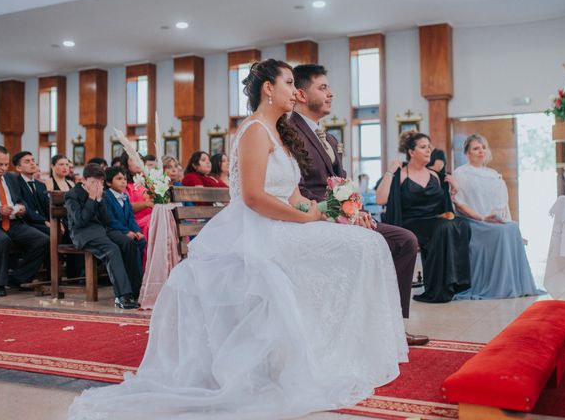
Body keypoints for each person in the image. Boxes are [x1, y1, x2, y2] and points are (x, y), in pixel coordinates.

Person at [69, 59, 407, 420]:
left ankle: (339, 347)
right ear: (267, 88)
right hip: (257, 229)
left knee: (366, 242)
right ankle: (322, 351)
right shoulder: (254, 131)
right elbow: (252, 197)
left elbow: (293, 195)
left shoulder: (281, 132)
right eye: (290, 83)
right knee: (362, 247)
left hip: (283, 222)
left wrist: (328, 208)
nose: (295, 92)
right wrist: (304, 218)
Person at [291, 64, 427, 346]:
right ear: (302, 94)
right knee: (372, 244)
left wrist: (357, 211)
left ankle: (393, 324)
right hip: (314, 218)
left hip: (342, 215)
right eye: (323, 87)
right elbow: (298, 187)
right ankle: (358, 326)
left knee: (405, 241)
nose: (331, 93)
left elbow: (340, 183)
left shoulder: (329, 137)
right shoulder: (289, 132)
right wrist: (340, 214)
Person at [377, 131, 471, 303]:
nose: (428, 150)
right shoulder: (401, 174)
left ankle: (453, 283)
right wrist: (390, 172)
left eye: (429, 147)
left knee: (461, 224)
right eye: (423, 147)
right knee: (442, 227)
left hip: (435, 220)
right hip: (411, 222)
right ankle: (434, 290)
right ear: (411, 152)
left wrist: (453, 190)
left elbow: (444, 204)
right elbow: (381, 199)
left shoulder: (435, 175)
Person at [451, 134, 542, 299]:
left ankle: (516, 285)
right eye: (476, 148)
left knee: (512, 228)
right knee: (500, 232)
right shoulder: (461, 173)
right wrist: (482, 218)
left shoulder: (493, 174)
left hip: (493, 220)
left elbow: (503, 204)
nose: (481, 151)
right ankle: (500, 286)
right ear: (467, 153)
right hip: (473, 222)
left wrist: (505, 220)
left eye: (483, 147)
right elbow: (459, 204)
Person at [65, 163, 141, 309]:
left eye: (100, 182)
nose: (97, 185)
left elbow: (106, 220)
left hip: (103, 230)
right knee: (112, 250)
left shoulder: (102, 193)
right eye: (93, 182)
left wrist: (99, 200)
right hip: (84, 233)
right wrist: (92, 199)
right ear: (83, 180)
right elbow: (81, 220)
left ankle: (134, 291)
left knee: (128, 243)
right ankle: (122, 296)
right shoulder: (72, 195)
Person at [0, 146, 49, 297]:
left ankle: (18, 277)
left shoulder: (11, 178)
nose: (4, 168)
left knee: (42, 240)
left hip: (13, 221)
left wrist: (21, 208)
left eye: (6, 165)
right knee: (2, 241)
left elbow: (20, 200)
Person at [103, 166, 146, 278]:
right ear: (108, 182)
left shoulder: (125, 197)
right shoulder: (106, 196)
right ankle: (130, 277)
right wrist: (126, 232)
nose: (123, 182)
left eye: (125, 179)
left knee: (141, 241)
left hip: (127, 231)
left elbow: (131, 218)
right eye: (119, 179)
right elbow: (110, 219)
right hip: (113, 232)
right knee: (130, 242)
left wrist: (137, 231)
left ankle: (134, 274)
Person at [12, 151, 50, 236]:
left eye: (33, 160)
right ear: (18, 168)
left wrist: (55, 222)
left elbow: (47, 206)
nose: (32, 163)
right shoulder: (15, 184)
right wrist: (44, 222)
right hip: (27, 222)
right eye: (27, 162)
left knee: (66, 228)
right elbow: (24, 208)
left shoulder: (41, 185)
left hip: (44, 221)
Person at [119, 152, 153, 242]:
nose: (138, 161)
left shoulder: (148, 181)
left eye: (140, 159)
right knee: (155, 223)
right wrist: (146, 204)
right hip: (136, 221)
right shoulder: (124, 183)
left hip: (151, 217)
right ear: (126, 164)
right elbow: (126, 207)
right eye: (133, 159)